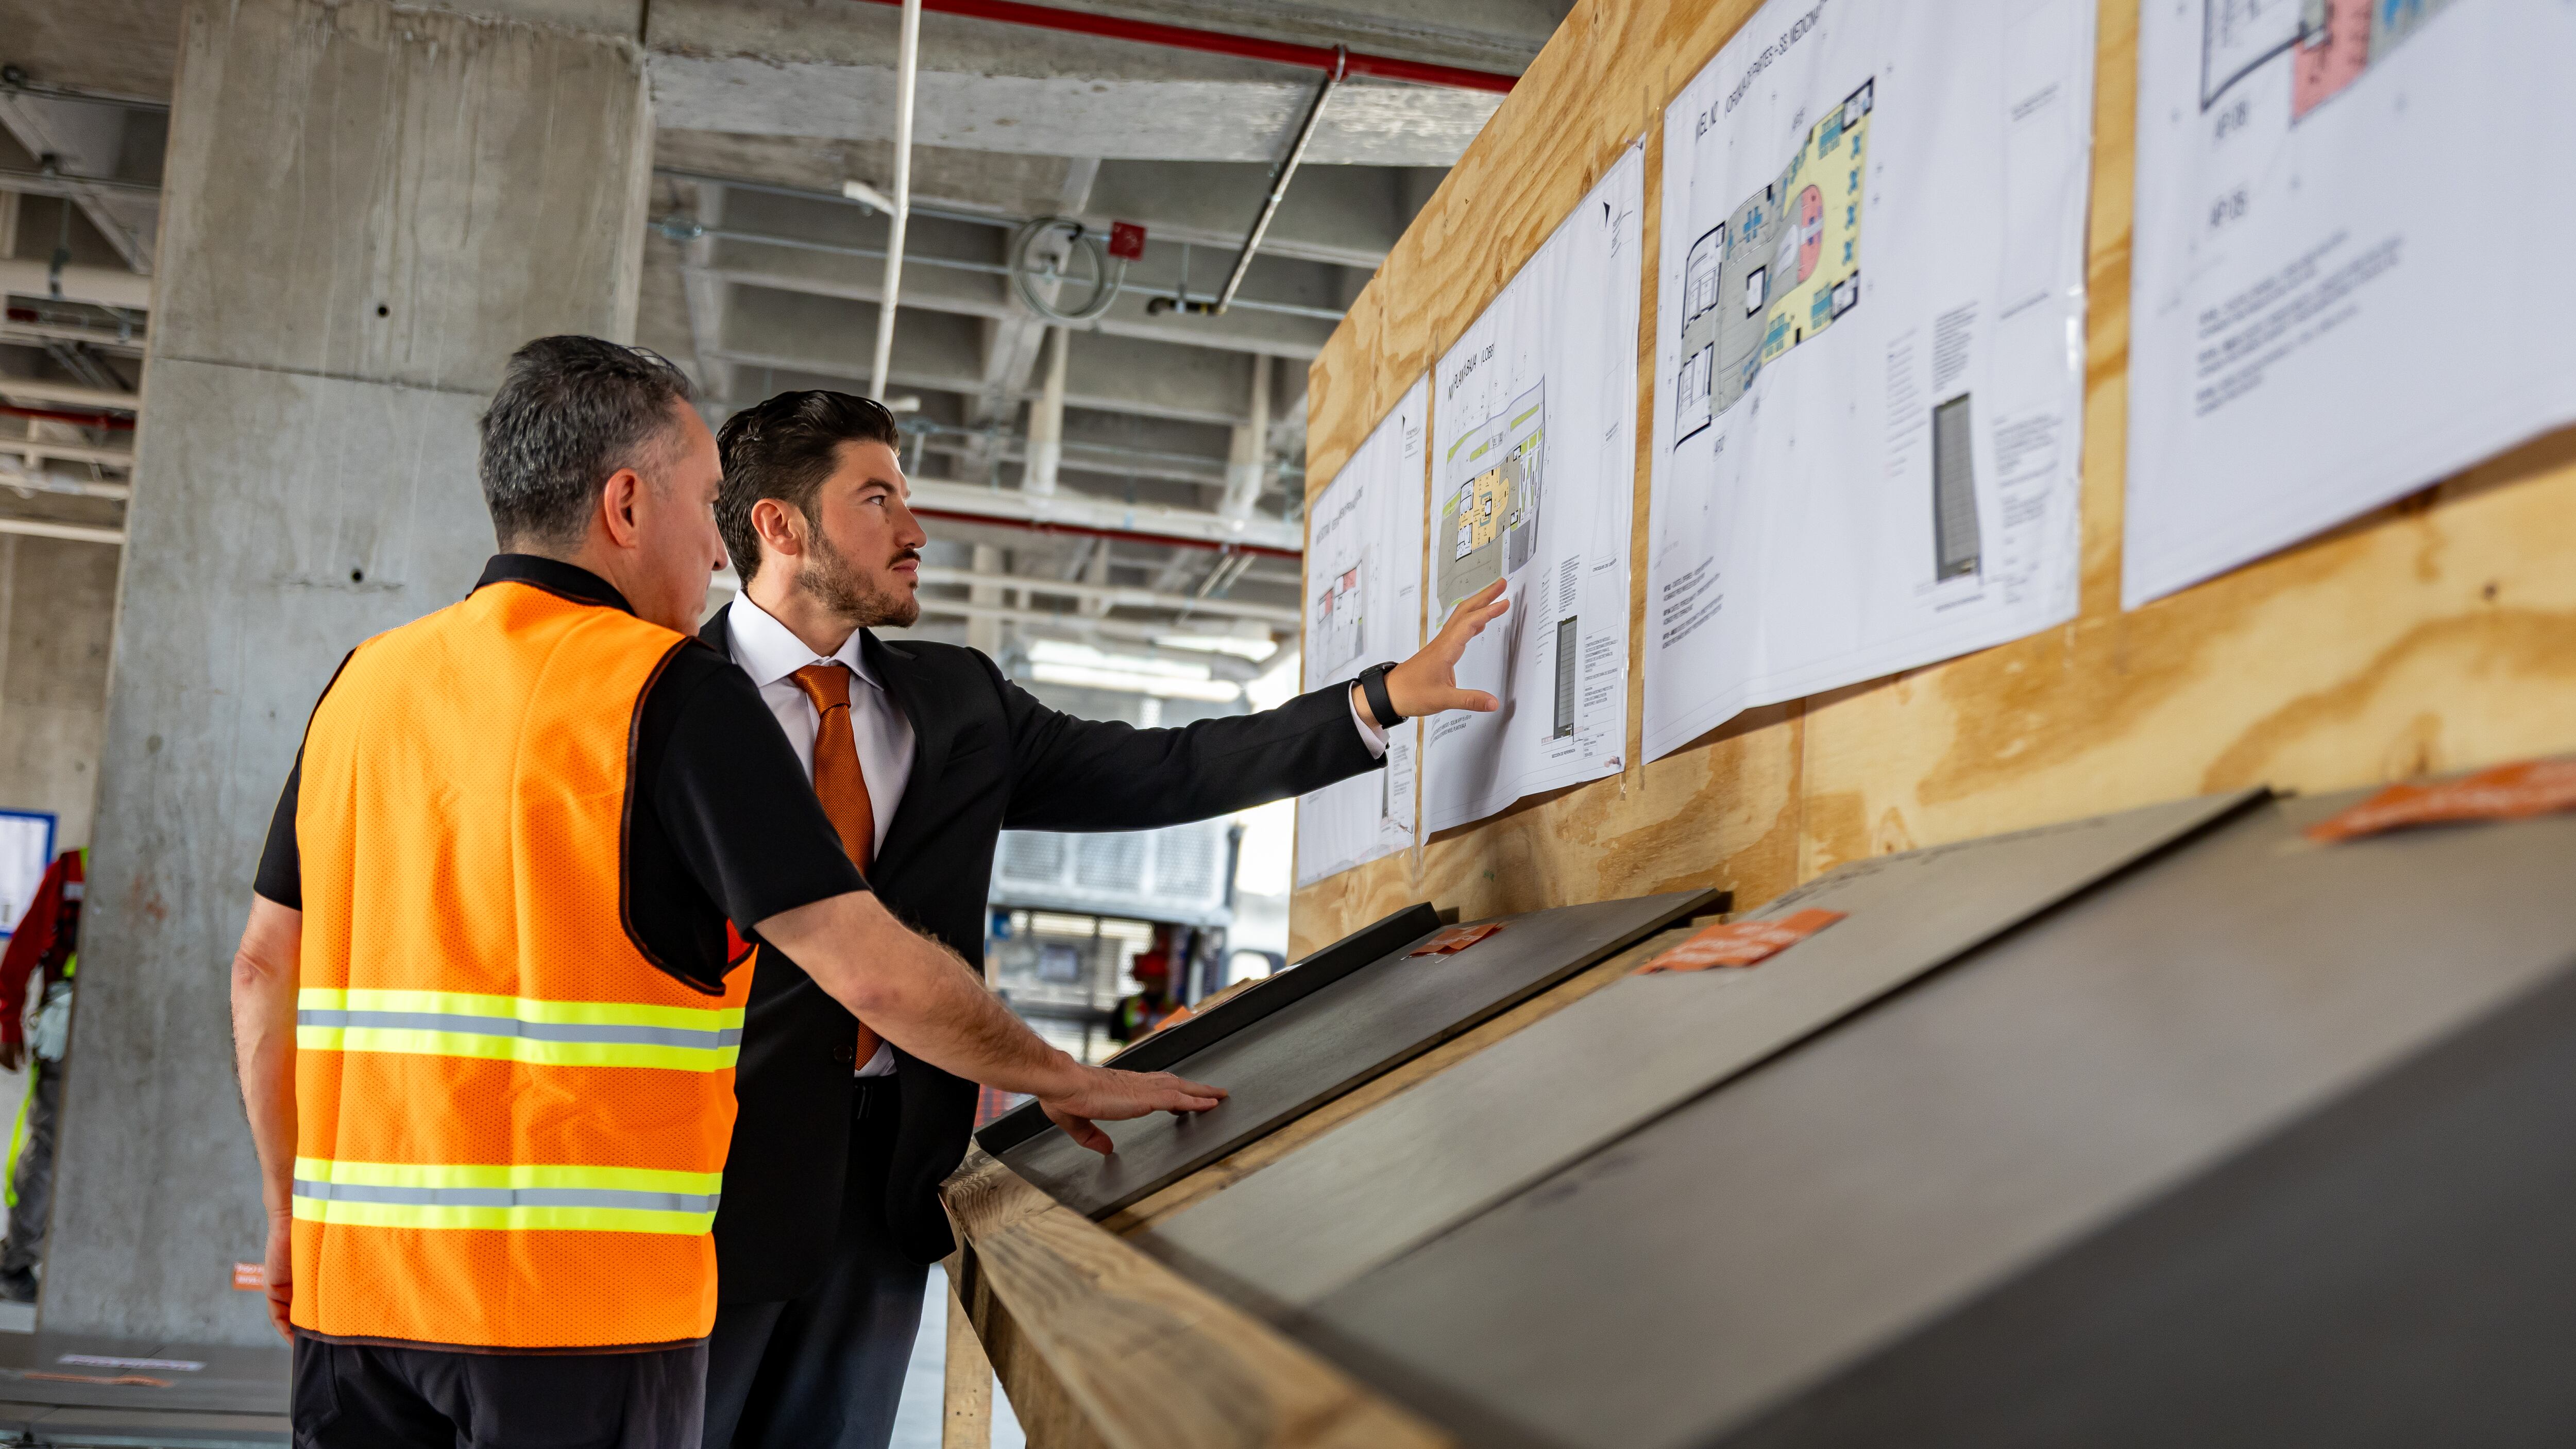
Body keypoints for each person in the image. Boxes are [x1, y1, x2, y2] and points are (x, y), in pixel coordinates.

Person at [227, 338, 1226, 1449]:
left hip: (356, 1296)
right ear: (623, 503)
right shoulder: (665, 690)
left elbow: (265, 966)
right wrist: (1060, 1075)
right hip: (577, 1311)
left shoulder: (365, 681)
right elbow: (867, 962)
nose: (715, 542)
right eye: (706, 504)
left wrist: (286, 1216)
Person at [694, 388, 1511, 1449]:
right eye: (879, 497)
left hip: (889, 1182)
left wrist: (1378, 698)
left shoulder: (957, 702)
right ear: (779, 523)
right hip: (701, 1179)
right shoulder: (669, 696)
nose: (916, 530)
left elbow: (1161, 769)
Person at [0, 845, 83, 1303]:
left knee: (48, 1147)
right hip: (136, 1036)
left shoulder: (76, 867)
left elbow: (24, 951)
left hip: (64, 1025)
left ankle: (17, 1263)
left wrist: (9, 1020)